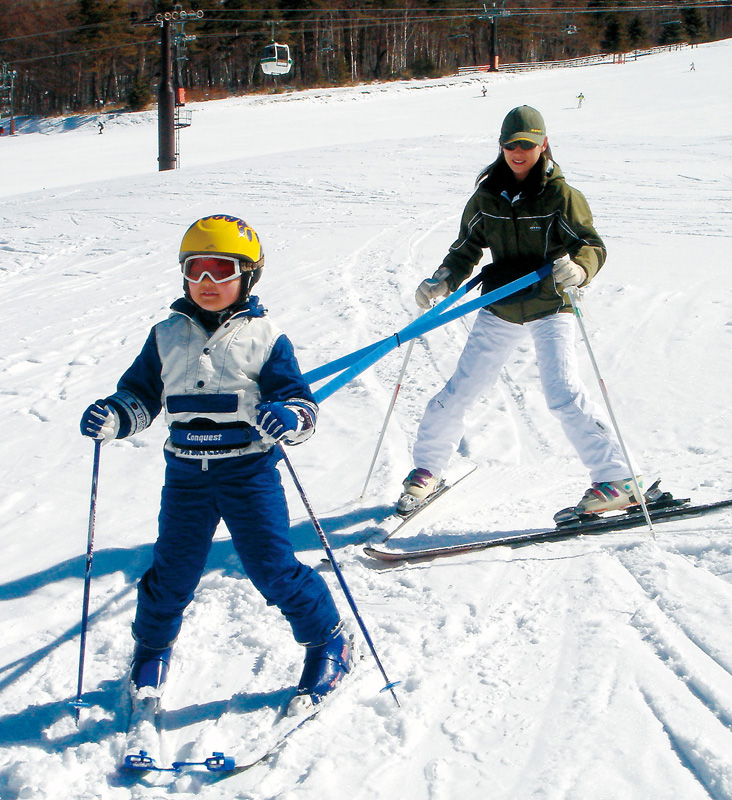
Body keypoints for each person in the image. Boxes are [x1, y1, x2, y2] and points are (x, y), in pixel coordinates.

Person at [80, 215, 351, 706]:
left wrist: (288, 417)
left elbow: (300, 401)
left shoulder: (267, 337)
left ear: (247, 276)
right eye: (195, 270)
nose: (206, 283)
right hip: (186, 475)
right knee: (174, 569)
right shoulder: (165, 335)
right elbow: (141, 395)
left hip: (248, 472)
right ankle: (152, 646)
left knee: (271, 566)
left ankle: (327, 638)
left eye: (221, 271)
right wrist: (116, 417)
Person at [397, 106, 640, 521]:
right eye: (511, 144)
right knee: (458, 393)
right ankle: (427, 471)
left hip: (550, 304)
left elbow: (592, 244)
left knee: (563, 395)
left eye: (527, 143)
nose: (519, 151)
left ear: (543, 144)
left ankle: (617, 479)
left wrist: (580, 268)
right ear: (502, 146)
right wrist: (441, 280)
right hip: (501, 306)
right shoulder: (486, 195)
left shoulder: (562, 195)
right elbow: (466, 248)